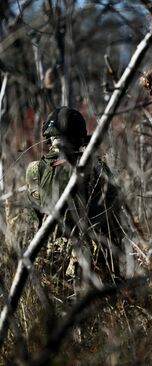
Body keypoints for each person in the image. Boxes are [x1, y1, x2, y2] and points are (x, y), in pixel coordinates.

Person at [26, 107, 124, 297]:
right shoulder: (95, 168)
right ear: (78, 137)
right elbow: (112, 222)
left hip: (49, 265)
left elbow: (35, 220)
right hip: (87, 269)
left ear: (48, 137)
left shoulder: (34, 171)